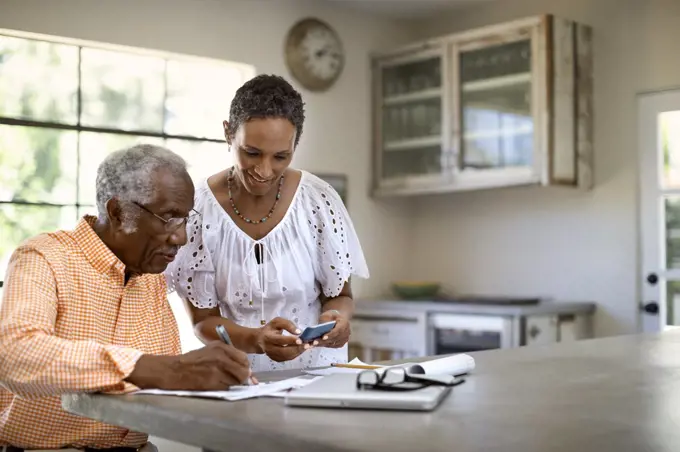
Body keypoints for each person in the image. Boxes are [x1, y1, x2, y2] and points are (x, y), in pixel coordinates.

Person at [0, 144, 251, 452]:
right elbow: (14, 355)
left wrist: (209, 379)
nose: (181, 237)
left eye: (185, 219)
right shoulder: (43, 257)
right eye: (169, 217)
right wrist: (163, 370)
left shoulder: (153, 282)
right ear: (117, 212)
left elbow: (164, 381)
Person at [165, 74, 370, 372]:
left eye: (281, 156)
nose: (264, 169)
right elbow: (203, 321)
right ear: (228, 133)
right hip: (238, 379)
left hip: (318, 375)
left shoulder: (318, 201)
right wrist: (255, 340)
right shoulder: (198, 211)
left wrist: (338, 320)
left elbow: (339, 295)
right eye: (251, 153)